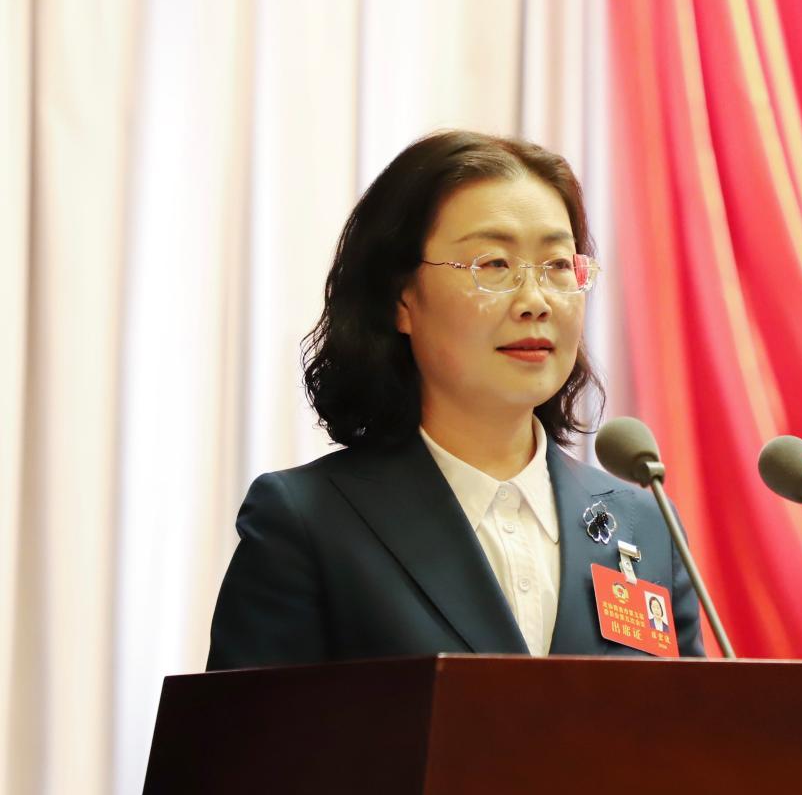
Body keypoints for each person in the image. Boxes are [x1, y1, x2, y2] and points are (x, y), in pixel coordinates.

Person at [207, 130, 705, 669]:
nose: (535, 301)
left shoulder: (644, 525)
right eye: (493, 265)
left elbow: (689, 721)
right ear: (401, 299)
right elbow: (248, 728)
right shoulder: (309, 523)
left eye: (559, 266)